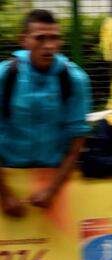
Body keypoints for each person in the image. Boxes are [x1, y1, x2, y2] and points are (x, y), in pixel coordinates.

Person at [0, 9, 91, 217]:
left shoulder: (75, 79)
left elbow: (77, 142)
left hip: (54, 181)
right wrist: (4, 195)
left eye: (54, 38)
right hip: (7, 178)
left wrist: (52, 190)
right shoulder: (5, 76)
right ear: (23, 40)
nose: (49, 46)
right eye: (40, 38)